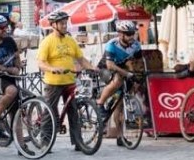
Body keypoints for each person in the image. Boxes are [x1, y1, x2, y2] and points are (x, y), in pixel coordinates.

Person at [37, 10, 97, 150]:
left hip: (70, 80)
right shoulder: (48, 41)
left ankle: (78, 142)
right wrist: (52, 69)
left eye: (65, 23)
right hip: (54, 82)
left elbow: (80, 59)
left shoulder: (70, 40)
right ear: (54, 25)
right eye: (62, 23)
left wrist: (92, 68)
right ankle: (45, 142)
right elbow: (40, 63)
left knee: (74, 111)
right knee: (49, 112)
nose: (65, 26)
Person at [96, 21, 144, 144]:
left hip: (122, 70)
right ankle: (100, 103)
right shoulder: (112, 45)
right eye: (128, 34)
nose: (131, 36)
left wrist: (138, 79)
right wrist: (127, 74)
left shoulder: (136, 45)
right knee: (118, 79)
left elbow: (138, 64)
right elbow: (110, 65)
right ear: (120, 34)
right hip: (105, 69)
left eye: (132, 33)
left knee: (120, 106)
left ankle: (120, 137)